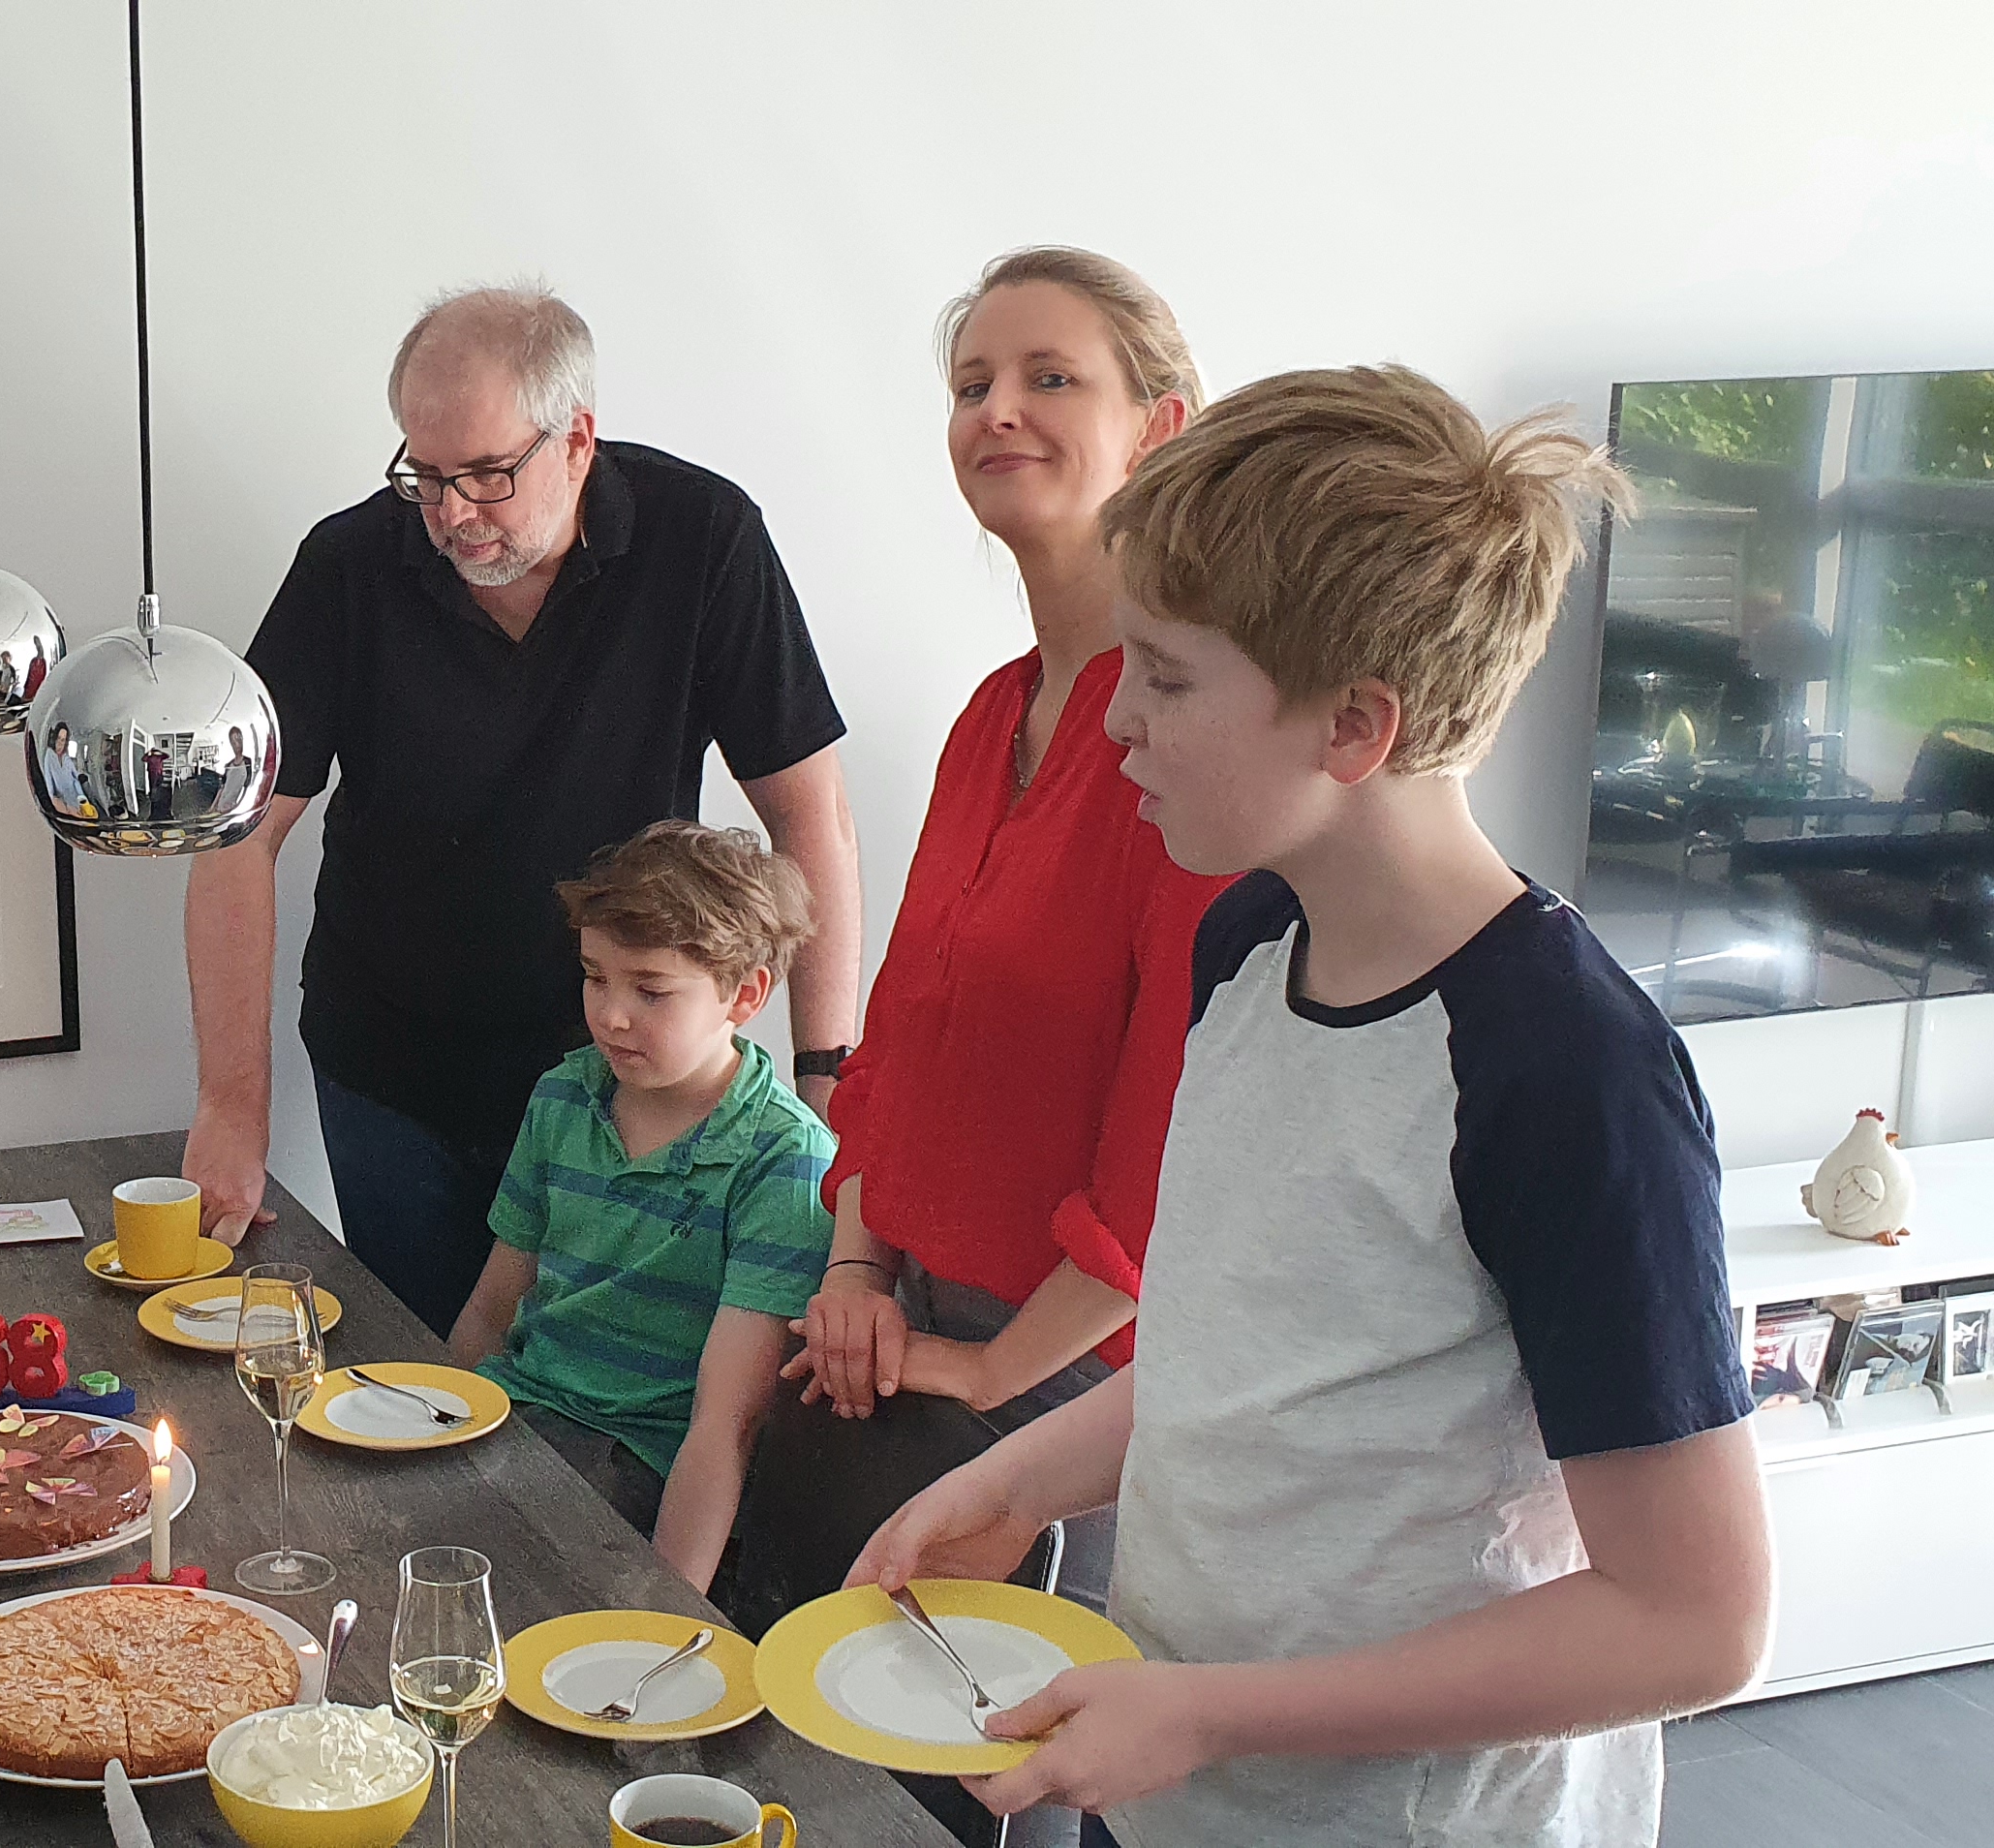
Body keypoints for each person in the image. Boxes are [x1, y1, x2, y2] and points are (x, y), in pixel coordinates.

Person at [849, 367, 1770, 1841]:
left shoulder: (1569, 1076)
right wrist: (1019, 1480)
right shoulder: (1247, 939)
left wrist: (1212, 1711)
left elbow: (1693, 1623)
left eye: (1165, 677)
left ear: (1354, 726)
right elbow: (1250, 1360)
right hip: (1185, 1792)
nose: (1115, 723)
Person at [189, 283, 862, 1333]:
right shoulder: (350, 564)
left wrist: (825, 1081)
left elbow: (809, 814)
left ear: (577, 440)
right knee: (421, 1379)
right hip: (392, 1070)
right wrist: (232, 1107)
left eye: (487, 476)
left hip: (627, 1074)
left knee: (601, 1391)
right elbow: (238, 835)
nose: (452, 514)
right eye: (424, 476)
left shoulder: (704, 537)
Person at [763, 250, 1229, 1628]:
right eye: (974, 385)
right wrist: (859, 1271)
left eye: (1051, 378)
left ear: (1160, 427)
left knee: (1001, 1737)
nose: (998, 411)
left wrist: (992, 1373)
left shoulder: (1193, 748)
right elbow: (900, 1040)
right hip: (912, 1327)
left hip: (1082, 1382)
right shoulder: (989, 716)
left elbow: (1172, 1150)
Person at [445, 822, 832, 1596]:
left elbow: (725, 1428)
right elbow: (490, 1310)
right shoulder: (563, 1095)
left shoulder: (785, 1159)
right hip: (517, 1410)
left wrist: (662, 1620)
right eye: (596, 977)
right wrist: (424, 1437)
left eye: (651, 991)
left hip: (644, 1463)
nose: (612, 1015)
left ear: (745, 994)